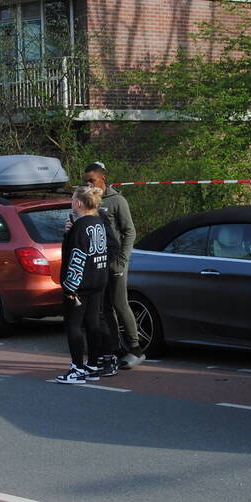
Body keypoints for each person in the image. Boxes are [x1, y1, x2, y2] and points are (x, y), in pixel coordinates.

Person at [83, 162, 144, 369]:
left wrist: (122, 261)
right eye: (86, 181)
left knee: (120, 303)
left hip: (116, 263)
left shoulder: (117, 201)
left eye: (92, 180)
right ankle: (114, 348)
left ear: (103, 179)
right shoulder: (90, 201)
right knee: (105, 307)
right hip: (99, 264)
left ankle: (136, 349)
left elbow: (130, 231)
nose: (89, 184)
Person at [56, 186, 112, 384]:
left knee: (74, 325)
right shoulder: (98, 222)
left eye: (72, 200)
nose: (71, 203)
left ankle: (77, 367)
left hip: (82, 284)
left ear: (79, 203)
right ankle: (94, 364)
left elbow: (76, 257)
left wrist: (70, 286)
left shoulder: (80, 227)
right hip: (99, 279)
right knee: (93, 322)